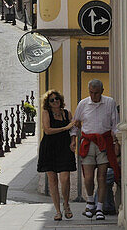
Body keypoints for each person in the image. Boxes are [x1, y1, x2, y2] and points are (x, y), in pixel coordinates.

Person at [71, 79, 120, 220]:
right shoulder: (83, 104)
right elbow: (75, 123)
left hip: (104, 143)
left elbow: (114, 125)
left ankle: (100, 207)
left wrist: (116, 142)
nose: (94, 96)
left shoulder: (110, 102)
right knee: (88, 177)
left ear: (102, 91)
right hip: (88, 143)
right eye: (91, 93)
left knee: (102, 177)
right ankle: (90, 202)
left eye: (96, 93)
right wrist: (73, 139)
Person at [36, 90, 77, 221]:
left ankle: (66, 204)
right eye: (52, 100)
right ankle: (58, 211)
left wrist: (73, 141)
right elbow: (47, 131)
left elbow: (73, 129)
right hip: (49, 148)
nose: (55, 101)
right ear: (48, 103)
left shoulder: (67, 113)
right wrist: (65, 128)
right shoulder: (46, 113)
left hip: (64, 147)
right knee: (53, 180)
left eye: (57, 99)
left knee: (65, 178)